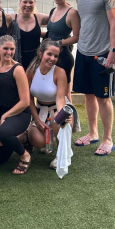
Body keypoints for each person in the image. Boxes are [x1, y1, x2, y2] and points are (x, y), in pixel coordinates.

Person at [72, 0, 115, 156]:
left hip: (102, 54)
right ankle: (93, 134)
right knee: (89, 96)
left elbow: (114, 23)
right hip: (83, 52)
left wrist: (113, 52)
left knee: (103, 97)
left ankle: (108, 139)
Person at [24, 39, 72, 169]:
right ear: (41, 54)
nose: (52, 58)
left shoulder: (60, 72)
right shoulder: (30, 72)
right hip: (41, 110)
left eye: (56, 56)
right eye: (49, 54)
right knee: (37, 142)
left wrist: (63, 115)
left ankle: (60, 154)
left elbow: (61, 99)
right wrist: (37, 119)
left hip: (58, 108)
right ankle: (48, 142)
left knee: (58, 118)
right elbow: (29, 98)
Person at [0, 35, 31, 174]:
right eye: (5, 48)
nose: (9, 52)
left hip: (19, 112)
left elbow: (25, 101)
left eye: (12, 49)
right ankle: (20, 137)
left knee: (3, 132)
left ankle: (25, 154)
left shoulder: (17, 69)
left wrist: (4, 117)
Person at [46, 0, 80, 100]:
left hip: (63, 57)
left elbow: (77, 37)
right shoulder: (52, 11)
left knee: (65, 95)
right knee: (51, 93)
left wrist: (59, 43)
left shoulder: (72, 13)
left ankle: (70, 119)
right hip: (49, 57)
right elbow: (51, 33)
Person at [10, 0, 49, 70]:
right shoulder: (12, 18)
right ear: (20, 3)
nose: (28, 5)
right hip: (17, 60)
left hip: (36, 60)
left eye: (31, 2)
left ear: (34, 4)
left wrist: (63, 6)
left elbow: (56, 18)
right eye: (25, 2)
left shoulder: (39, 17)